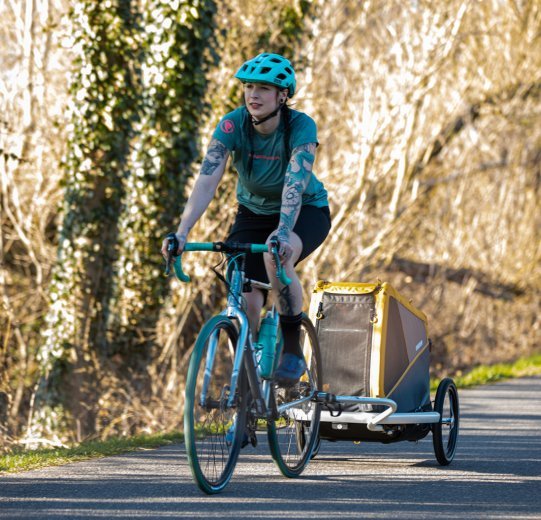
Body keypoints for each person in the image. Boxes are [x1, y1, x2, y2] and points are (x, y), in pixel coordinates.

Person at [161, 52, 331, 385]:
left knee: (274, 257)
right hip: (252, 212)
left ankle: (293, 349)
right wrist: (182, 232)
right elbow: (207, 179)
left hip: (305, 211)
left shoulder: (300, 127)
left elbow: (294, 185)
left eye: (264, 88)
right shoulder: (231, 124)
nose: (253, 94)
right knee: (244, 299)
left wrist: (282, 232)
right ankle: (247, 382)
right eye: (249, 86)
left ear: (283, 96)